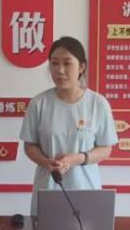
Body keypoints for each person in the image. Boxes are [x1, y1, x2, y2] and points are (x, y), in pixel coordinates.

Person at [20, 36, 119, 214]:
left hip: (86, 189)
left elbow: (105, 149)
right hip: (48, 188)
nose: (60, 70)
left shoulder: (97, 103)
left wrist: (77, 158)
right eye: (55, 63)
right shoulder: (39, 103)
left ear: (81, 67)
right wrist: (45, 161)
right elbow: (30, 145)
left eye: (67, 63)